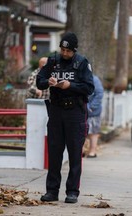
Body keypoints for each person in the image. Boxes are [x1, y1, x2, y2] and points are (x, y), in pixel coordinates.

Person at [36, 32, 94, 204]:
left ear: (74, 50)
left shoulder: (82, 63)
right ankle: (52, 191)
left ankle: (72, 192)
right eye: (62, 50)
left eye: (68, 51)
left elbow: (89, 88)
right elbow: (39, 81)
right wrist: (49, 82)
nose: (64, 53)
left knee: (75, 153)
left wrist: (70, 85)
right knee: (54, 152)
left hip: (75, 113)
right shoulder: (53, 61)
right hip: (55, 111)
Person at [82, 75, 104, 158]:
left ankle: (92, 151)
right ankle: (81, 151)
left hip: (93, 112)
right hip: (81, 110)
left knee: (93, 132)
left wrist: (91, 107)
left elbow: (99, 94)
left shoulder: (94, 79)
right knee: (81, 131)